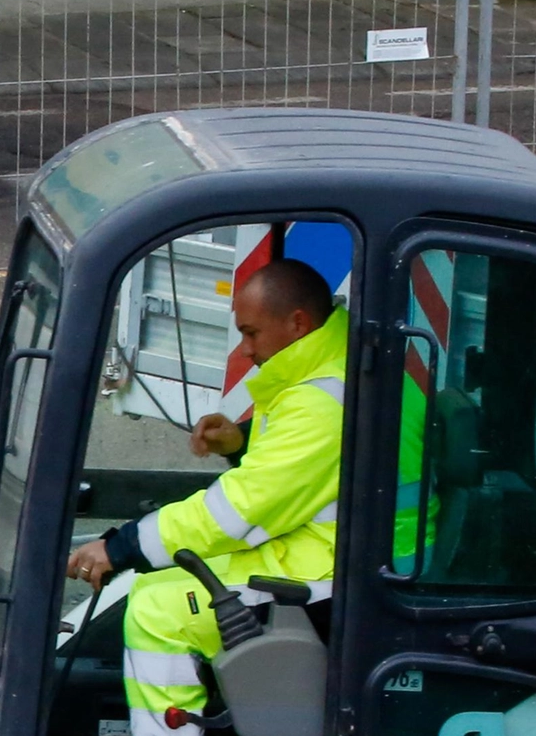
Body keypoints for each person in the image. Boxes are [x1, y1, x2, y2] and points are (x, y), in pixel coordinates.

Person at [66, 258, 348, 736]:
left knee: (159, 614)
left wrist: (120, 547)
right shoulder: (329, 366)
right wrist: (243, 442)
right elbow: (305, 475)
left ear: (297, 322)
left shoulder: (320, 400)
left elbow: (234, 515)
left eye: (252, 333)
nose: (246, 349)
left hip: (327, 572)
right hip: (328, 551)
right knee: (155, 587)